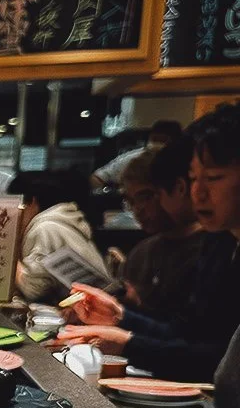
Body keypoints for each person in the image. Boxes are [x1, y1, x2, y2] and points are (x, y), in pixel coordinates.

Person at [60, 104, 240, 382]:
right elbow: (187, 332)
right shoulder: (221, 243)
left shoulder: (215, 241)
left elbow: (216, 358)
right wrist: (119, 317)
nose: (198, 193)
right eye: (194, 178)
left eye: (213, 178)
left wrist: (127, 341)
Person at [114, 140, 203, 318]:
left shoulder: (213, 248)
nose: (138, 209)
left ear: (179, 189)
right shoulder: (142, 252)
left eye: (146, 197)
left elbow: (195, 335)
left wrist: (136, 308)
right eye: (131, 201)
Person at [9, 171, 111, 303]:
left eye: (14, 205)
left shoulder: (45, 228)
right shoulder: (60, 220)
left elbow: (34, 289)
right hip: (99, 304)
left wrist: (8, 252)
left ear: (31, 202)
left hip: (97, 310)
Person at [90, 119, 182, 190]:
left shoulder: (184, 163)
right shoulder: (132, 158)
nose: (157, 144)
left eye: (162, 140)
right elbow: (97, 177)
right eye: (154, 139)